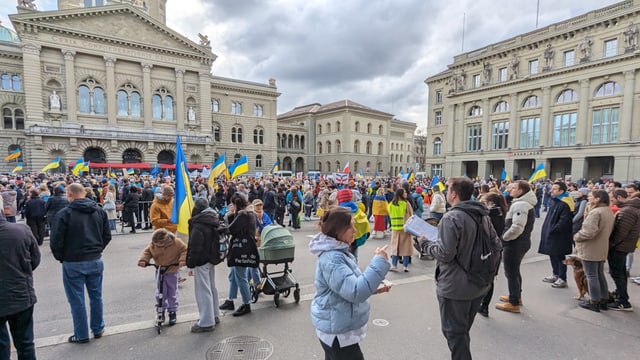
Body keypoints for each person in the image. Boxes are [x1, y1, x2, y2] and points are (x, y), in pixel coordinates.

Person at [423, 177, 498, 360]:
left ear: (454, 194)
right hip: (479, 282)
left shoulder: (452, 217)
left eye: (448, 189)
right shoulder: (482, 213)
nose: (446, 192)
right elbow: (496, 244)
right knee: (462, 331)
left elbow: (445, 253)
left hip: (456, 286)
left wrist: (424, 244)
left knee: (454, 334)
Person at [310, 207, 391, 360]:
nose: (355, 230)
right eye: (350, 227)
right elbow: (355, 291)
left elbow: (348, 285)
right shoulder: (333, 259)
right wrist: (379, 261)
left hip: (337, 328)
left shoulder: (337, 252)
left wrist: (373, 288)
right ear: (338, 231)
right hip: (338, 333)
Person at [50, 183, 111, 343]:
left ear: (70, 194)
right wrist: (97, 249)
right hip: (94, 259)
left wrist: (62, 257)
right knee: (96, 296)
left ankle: (81, 334)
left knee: (77, 300)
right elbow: (107, 236)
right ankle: (98, 328)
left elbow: (56, 241)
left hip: (73, 261)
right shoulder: (99, 211)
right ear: (83, 193)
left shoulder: (64, 214)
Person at [0, 208, 40, 360]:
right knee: (25, 344)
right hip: (20, 292)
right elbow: (35, 259)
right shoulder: (21, 230)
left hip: (19, 291)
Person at [494, 180, 537, 314]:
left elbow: (517, 227)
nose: (509, 189)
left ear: (520, 191)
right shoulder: (522, 203)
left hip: (515, 244)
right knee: (514, 271)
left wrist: (504, 238)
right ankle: (516, 296)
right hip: (519, 243)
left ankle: (514, 302)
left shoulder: (521, 205)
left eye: (513, 188)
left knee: (511, 272)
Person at [574, 190, 615, 312]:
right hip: (601, 246)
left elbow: (588, 232)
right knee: (599, 274)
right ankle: (603, 298)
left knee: (591, 275)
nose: (588, 198)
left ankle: (595, 301)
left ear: (598, 199)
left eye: (591, 196)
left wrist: (576, 236)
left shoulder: (596, 212)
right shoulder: (607, 210)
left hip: (591, 247)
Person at [187, 198, 224, 333]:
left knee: (203, 290)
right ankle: (214, 314)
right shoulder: (213, 218)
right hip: (211, 258)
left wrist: (190, 264)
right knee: (211, 287)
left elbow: (195, 247)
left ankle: (206, 321)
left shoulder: (198, 223)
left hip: (201, 259)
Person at [137, 228, 187, 326]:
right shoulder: (153, 243)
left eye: (160, 244)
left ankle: (172, 311)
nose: (158, 246)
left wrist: (182, 260)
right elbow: (147, 252)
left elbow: (184, 250)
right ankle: (160, 311)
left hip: (172, 270)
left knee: (172, 292)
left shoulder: (176, 242)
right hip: (160, 270)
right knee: (160, 292)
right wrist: (143, 260)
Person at [219, 194, 258, 316]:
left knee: (240, 277)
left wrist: (227, 217)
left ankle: (246, 303)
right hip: (247, 246)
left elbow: (231, 229)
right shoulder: (250, 213)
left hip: (240, 247)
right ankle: (230, 299)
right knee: (233, 275)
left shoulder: (242, 214)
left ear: (236, 204)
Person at [607, 189, 640, 311]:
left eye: (613, 199)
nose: (612, 202)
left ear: (619, 198)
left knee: (617, 273)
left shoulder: (627, 211)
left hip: (620, 247)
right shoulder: (632, 209)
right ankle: (620, 294)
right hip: (625, 246)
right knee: (620, 272)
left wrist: (611, 245)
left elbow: (620, 233)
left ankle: (623, 301)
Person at [539, 181, 575, 289]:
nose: (551, 191)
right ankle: (555, 274)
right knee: (552, 254)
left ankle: (562, 278)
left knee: (559, 256)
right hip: (552, 233)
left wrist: (553, 229)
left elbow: (564, 221)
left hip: (559, 235)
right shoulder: (555, 201)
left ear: (561, 191)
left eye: (554, 189)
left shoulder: (565, 203)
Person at [478, 192, 507, 317]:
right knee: (489, 279)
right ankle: (484, 306)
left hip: (487, 251)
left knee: (483, 280)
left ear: (490, 203)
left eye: (484, 202)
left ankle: (482, 305)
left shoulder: (489, 216)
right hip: (495, 250)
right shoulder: (499, 212)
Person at [387, 188, 413, 272]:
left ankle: (394, 265)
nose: (406, 193)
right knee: (406, 247)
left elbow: (389, 214)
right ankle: (405, 266)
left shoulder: (391, 204)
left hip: (395, 228)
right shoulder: (406, 203)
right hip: (405, 228)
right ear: (401, 194)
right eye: (404, 192)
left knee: (395, 247)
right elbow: (411, 214)